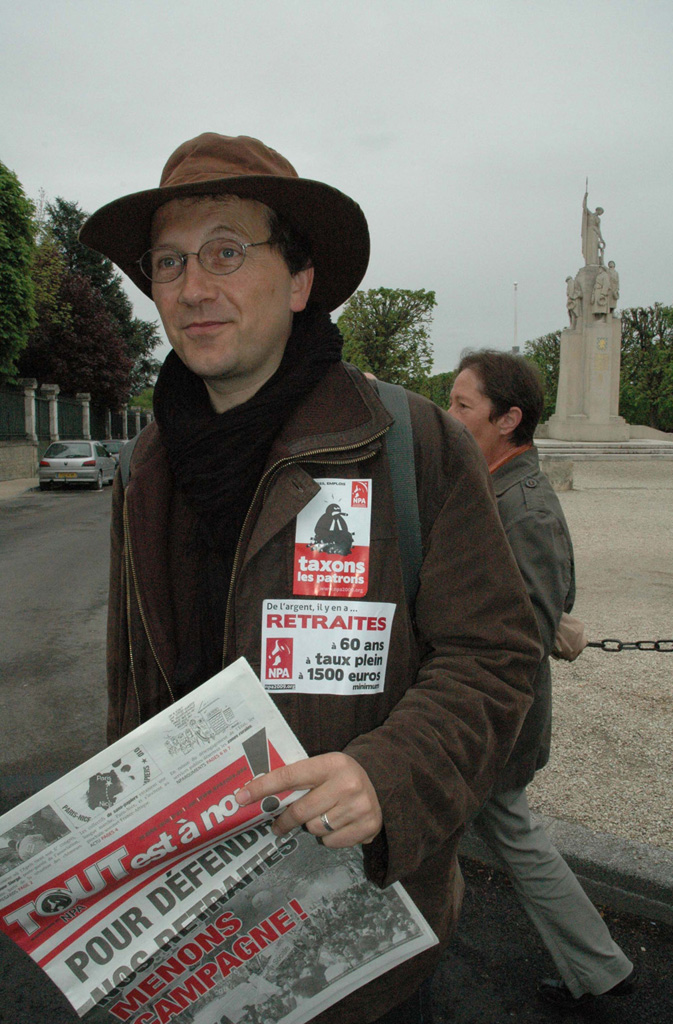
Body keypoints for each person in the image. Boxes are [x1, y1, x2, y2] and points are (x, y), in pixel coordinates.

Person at [80, 133, 542, 1024]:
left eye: (225, 251)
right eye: (168, 261)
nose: (191, 286)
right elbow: (132, 686)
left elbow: (494, 658)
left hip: (362, 940)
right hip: (196, 934)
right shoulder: (144, 465)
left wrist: (388, 774)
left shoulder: (414, 444)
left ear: (298, 282)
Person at [448, 350, 637, 1010]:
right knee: (498, 836)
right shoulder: (492, 483)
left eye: (461, 405)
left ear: (508, 420)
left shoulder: (522, 505)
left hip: (489, 719)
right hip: (479, 714)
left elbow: (525, 631)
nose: (450, 416)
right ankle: (596, 966)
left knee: (502, 836)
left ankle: (599, 968)